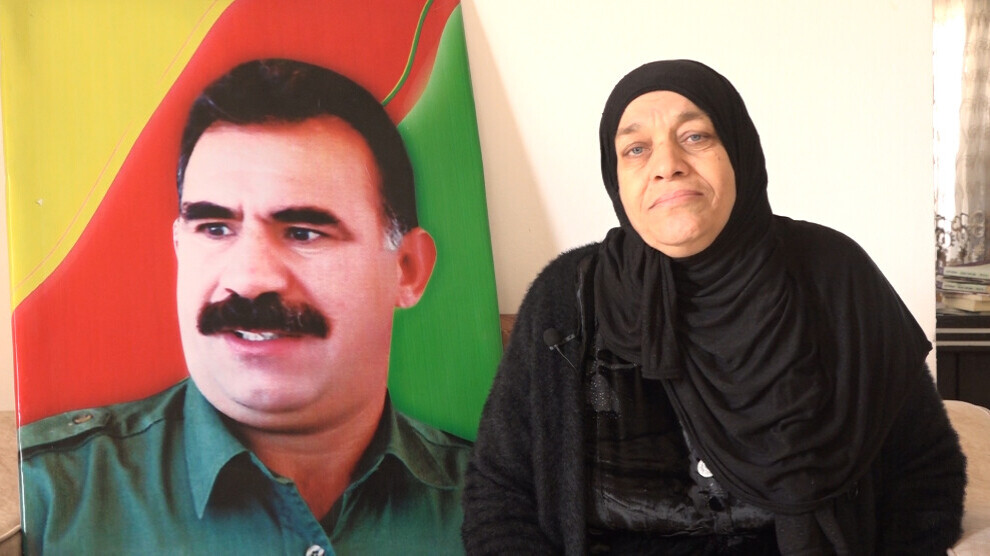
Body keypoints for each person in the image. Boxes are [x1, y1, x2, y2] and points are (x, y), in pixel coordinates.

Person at [462, 60, 966, 555]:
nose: (667, 165)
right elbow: (501, 491)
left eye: (696, 136)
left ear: (739, 151)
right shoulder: (567, 298)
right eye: (636, 149)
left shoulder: (834, 276)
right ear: (615, 178)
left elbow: (925, 472)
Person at [20, 59, 469, 555]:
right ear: (179, 247)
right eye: (215, 229)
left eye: (303, 233)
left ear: (407, 268)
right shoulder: (48, 497)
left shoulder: (497, 502)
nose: (249, 281)